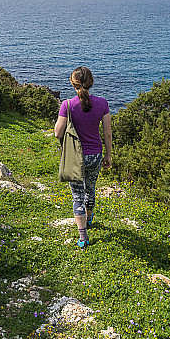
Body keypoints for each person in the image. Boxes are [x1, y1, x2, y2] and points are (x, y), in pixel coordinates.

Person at [54, 66, 112, 249]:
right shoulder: (103, 103)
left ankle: (83, 237)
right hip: (95, 155)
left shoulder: (67, 105)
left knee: (77, 195)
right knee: (91, 188)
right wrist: (108, 156)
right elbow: (108, 133)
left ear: (73, 83)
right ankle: (89, 218)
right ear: (91, 83)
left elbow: (58, 133)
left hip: (76, 157)